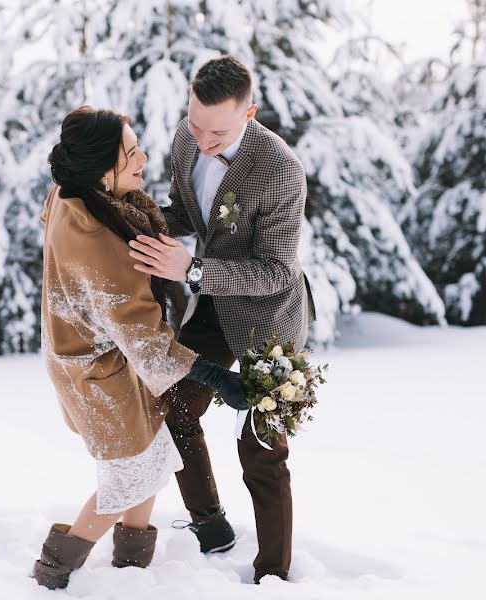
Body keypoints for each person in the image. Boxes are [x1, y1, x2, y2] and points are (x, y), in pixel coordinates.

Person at [32, 106, 248, 590]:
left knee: (155, 452)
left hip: (98, 355)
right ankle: (53, 571)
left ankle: (132, 569)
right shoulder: (101, 241)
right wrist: (218, 378)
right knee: (130, 471)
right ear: (100, 172)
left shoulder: (76, 194)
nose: (144, 158)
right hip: (95, 371)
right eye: (130, 154)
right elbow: (146, 340)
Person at [127, 55, 316, 584]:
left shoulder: (280, 170)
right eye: (195, 123)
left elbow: (278, 270)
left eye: (218, 131)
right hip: (211, 303)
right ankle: (210, 526)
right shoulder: (188, 138)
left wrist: (193, 268)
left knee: (261, 450)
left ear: (249, 112)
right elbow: (187, 212)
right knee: (172, 406)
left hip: (270, 319)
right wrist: (135, 226)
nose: (203, 140)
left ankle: (272, 575)